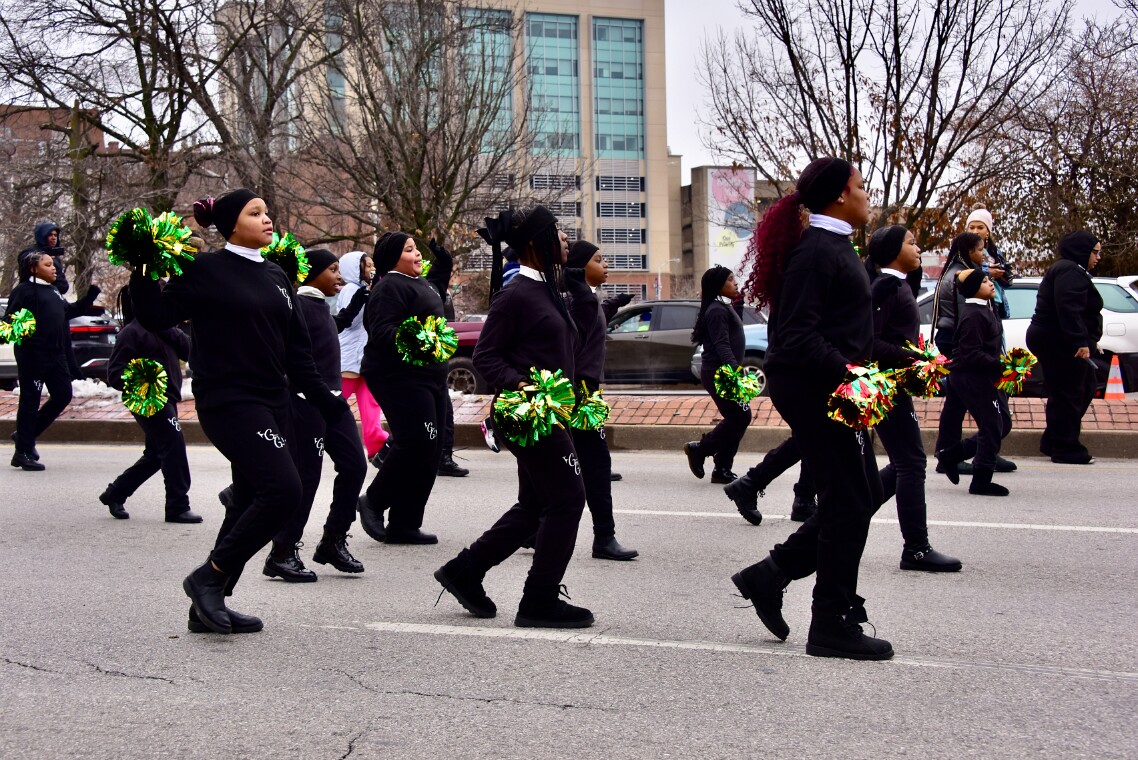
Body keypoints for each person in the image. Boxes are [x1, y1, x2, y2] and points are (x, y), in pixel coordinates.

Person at [129, 188, 350, 635]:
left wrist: (327, 399)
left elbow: (297, 354)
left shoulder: (276, 276)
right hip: (229, 401)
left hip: (275, 401)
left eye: (267, 211)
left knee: (248, 500)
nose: (268, 219)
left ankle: (209, 604)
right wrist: (143, 267)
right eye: (256, 213)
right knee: (284, 491)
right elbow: (156, 316)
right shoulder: (204, 268)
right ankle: (207, 579)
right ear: (231, 225)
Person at [730, 157, 893, 660]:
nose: (868, 195)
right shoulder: (817, 251)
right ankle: (831, 621)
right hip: (813, 388)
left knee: (860, 494)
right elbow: (796, 335)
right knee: (849, 501)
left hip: (830, 385)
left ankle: (771, 574)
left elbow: (844, 331)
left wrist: (910, 359)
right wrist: (848, 373)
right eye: (861, 186)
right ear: (841, 194)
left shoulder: (835, 246)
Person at [433, 205, 596, 628]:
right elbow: (486, 355)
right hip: (528, 413)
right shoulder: (517, 294)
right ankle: (538, 600)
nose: (564, 239)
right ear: (533, 245)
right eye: (556, 233)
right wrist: (525, 386)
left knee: (535, 504)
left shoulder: (549, 288)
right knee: (568, 499)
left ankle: (463, 571)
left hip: (550, 411)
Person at [262, 249, 370, 582]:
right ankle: (282, 550)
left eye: (339, 269)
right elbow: (290, 357)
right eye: (332, 270)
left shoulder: (321, 305)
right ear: (311, 273)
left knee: (355, 465)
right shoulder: (297, 305)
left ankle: (333, 540)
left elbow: (332, 332)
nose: (339, 276)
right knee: (306, 476)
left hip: (332, 401)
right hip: (306, 401)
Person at [865, 226, 961, 570]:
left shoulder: (898, 284)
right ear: (892, 250)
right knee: (912, 462)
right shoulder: (886, 286)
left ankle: (853, 510)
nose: (918, 248)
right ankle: (916, 549)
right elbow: (871, 343)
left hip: (895, 383)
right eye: (911, 242)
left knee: (908, 461)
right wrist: (915, 357)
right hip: (886, 386)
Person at [355, 232, 448, 545]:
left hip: (430, 376)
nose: (418, 254)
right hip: (398, 376)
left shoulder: (422, 284)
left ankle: (405, 523)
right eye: (410, 250)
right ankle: (374, 500)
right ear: (393, 257)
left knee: (432, 449)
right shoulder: (389, 286)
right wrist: (422, 337)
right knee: (417, 441)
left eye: (418, 249)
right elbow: (381, 329)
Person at [98, 285, 201, 523]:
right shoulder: (131, 333)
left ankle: (115, 493)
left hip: (169, 398)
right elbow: (114, 373)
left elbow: (191, 351)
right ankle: (177, 506)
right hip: (148, 400)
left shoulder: (165, 330)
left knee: (156, 454)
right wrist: (143, 380)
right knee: (174, 448)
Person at [564, 239, 638, 560]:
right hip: (580, 393)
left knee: (569, 467)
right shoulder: (579, 300)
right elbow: (580, 322)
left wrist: (615, 303)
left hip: (583, 391)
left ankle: (533, 529)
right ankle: (604, 539)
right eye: (598, 259)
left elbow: (597, 312)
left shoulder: (587, 301)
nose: (605, 264)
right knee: (595, 464)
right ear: (582, 269)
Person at [5, 252, 100, 471]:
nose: (54, 268)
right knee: (30, 402)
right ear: (33, 269)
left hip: (55, 356)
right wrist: (29, 332)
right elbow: (9, 321)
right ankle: (22, 452)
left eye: (53, 264)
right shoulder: (23, 291)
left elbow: (68, 312)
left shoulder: (54, 291)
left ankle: (24, 436)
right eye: (48, 265)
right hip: (33, 356)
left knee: (63, 395)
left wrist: (89, 298)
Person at [1026, 231, 1103, 465]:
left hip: (1059, 340)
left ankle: (1054, 440)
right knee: (1068, 392)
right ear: (1082, 250)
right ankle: (1065, 447)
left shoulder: (1070, 269)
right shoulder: (1070, 270)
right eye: (1095, 252)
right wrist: (1080, 342)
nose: (1098, 257)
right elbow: (1069, 308)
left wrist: (1090, 341)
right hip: (1058, 341)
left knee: (1084, 386)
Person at [937, 269, 1009, 496]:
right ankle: (981, 479)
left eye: (989, 280)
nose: (990, 284)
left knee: (998, 425)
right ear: (973, 288)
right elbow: (969, 354)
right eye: (985, 281)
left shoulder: (984, 309)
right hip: (971, 377)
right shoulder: (974, 314)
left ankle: (950, 455)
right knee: (993, 426)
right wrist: (999, 366)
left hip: (974, 376)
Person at [683, 266, 752, 484]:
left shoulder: (723, 307)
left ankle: (721, 467)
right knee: (740, 416)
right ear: (719, 285)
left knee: (738, 417)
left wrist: (739, 302)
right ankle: (701, 450)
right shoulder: (716, 310)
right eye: (730, 280)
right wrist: (735, 370)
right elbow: (722, 345)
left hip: (723, 371)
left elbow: (735, 329)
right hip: (719, 373)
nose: (735, 283)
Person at [336, 251, 389, 467]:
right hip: (349, 359)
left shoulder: (366, 289)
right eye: (367, 265)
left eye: (372, 265)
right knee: (335, 404)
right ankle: (313, 438)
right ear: (355, 268)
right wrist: (368, 297)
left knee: (372, 408)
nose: (371, 269)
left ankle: (376, 448)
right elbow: (353, 320)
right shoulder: (351, 290)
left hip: (364, 359)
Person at [423, 239, 469, 479]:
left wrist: (443, 256)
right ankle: (389, 453)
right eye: (410, 252)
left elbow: (443, 269)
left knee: (445, 414)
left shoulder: (432, 286)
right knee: (420, 420)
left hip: (437, 363)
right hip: (417, 366)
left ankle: (444, 457)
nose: (418, 259)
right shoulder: (404, 287)